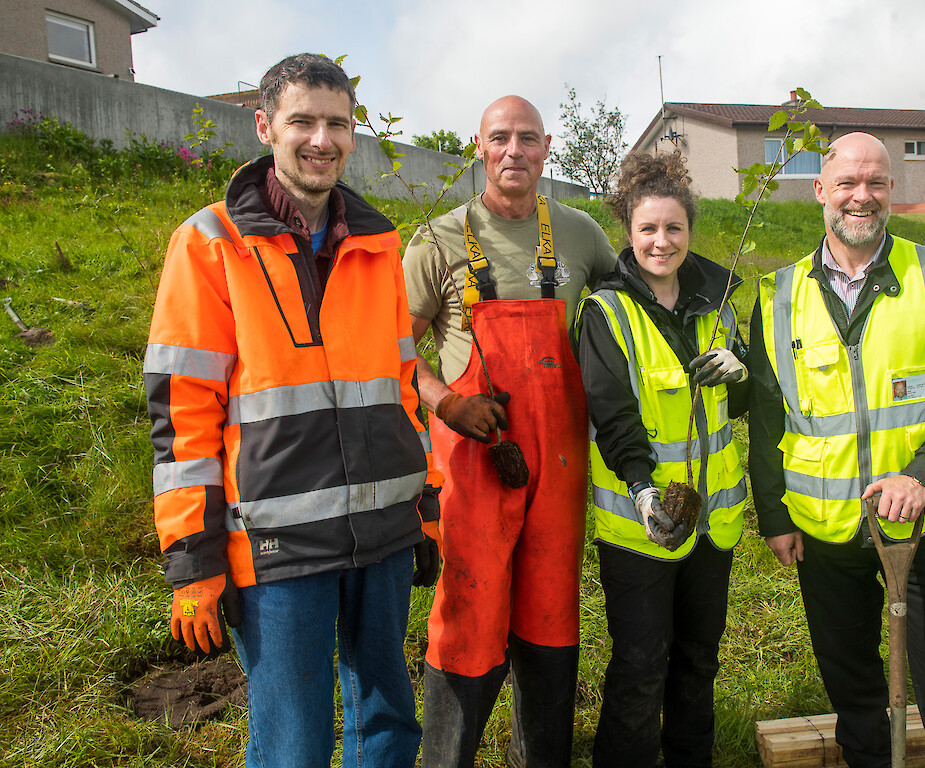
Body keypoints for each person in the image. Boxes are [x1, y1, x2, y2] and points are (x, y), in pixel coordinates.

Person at [144, 53, 441, 768]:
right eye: (302, 120)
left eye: (337, 124)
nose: (321, 139)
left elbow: (401, 390)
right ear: (264, 127)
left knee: (389, 722)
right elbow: (183, 411)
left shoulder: (377, 243)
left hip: (382, 535)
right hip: (275, 551)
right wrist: (192, 557)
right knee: (292, 745)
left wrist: (426, 505)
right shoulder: (209, 244)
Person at [747, 132, 925, 768]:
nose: (862, 197)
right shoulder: (776, 296)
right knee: (853, 684)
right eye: (847, 185)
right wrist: (776, 516)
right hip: (824, 529)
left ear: (893, 190)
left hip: (924, 524)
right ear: (820, 192)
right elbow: (765, 417)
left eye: (877, 184)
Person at [402, 95, 618, 767]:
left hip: (557, 459)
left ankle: (543, 756)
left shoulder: (582, 234)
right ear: (479, 146)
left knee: (551, 606)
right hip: (473, 459)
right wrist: (445, 404)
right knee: (470, 609)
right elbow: (393, 355)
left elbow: (632, 308)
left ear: (548, 147)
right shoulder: (435, 241)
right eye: (500, 138)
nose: (513, 151)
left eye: (527, 138)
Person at [573, 150, 749, 767]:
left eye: (674, 228)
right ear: (628, 232)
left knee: (699, 656)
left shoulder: (718, 300)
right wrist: (643, 490)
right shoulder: (606, 312)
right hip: (639, 526)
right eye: (648, 228)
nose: (661, 241)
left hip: (712, 525)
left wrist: (741, 369)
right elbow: (612, 415)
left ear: (690, 231)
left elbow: (746, 400)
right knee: (642, 663)